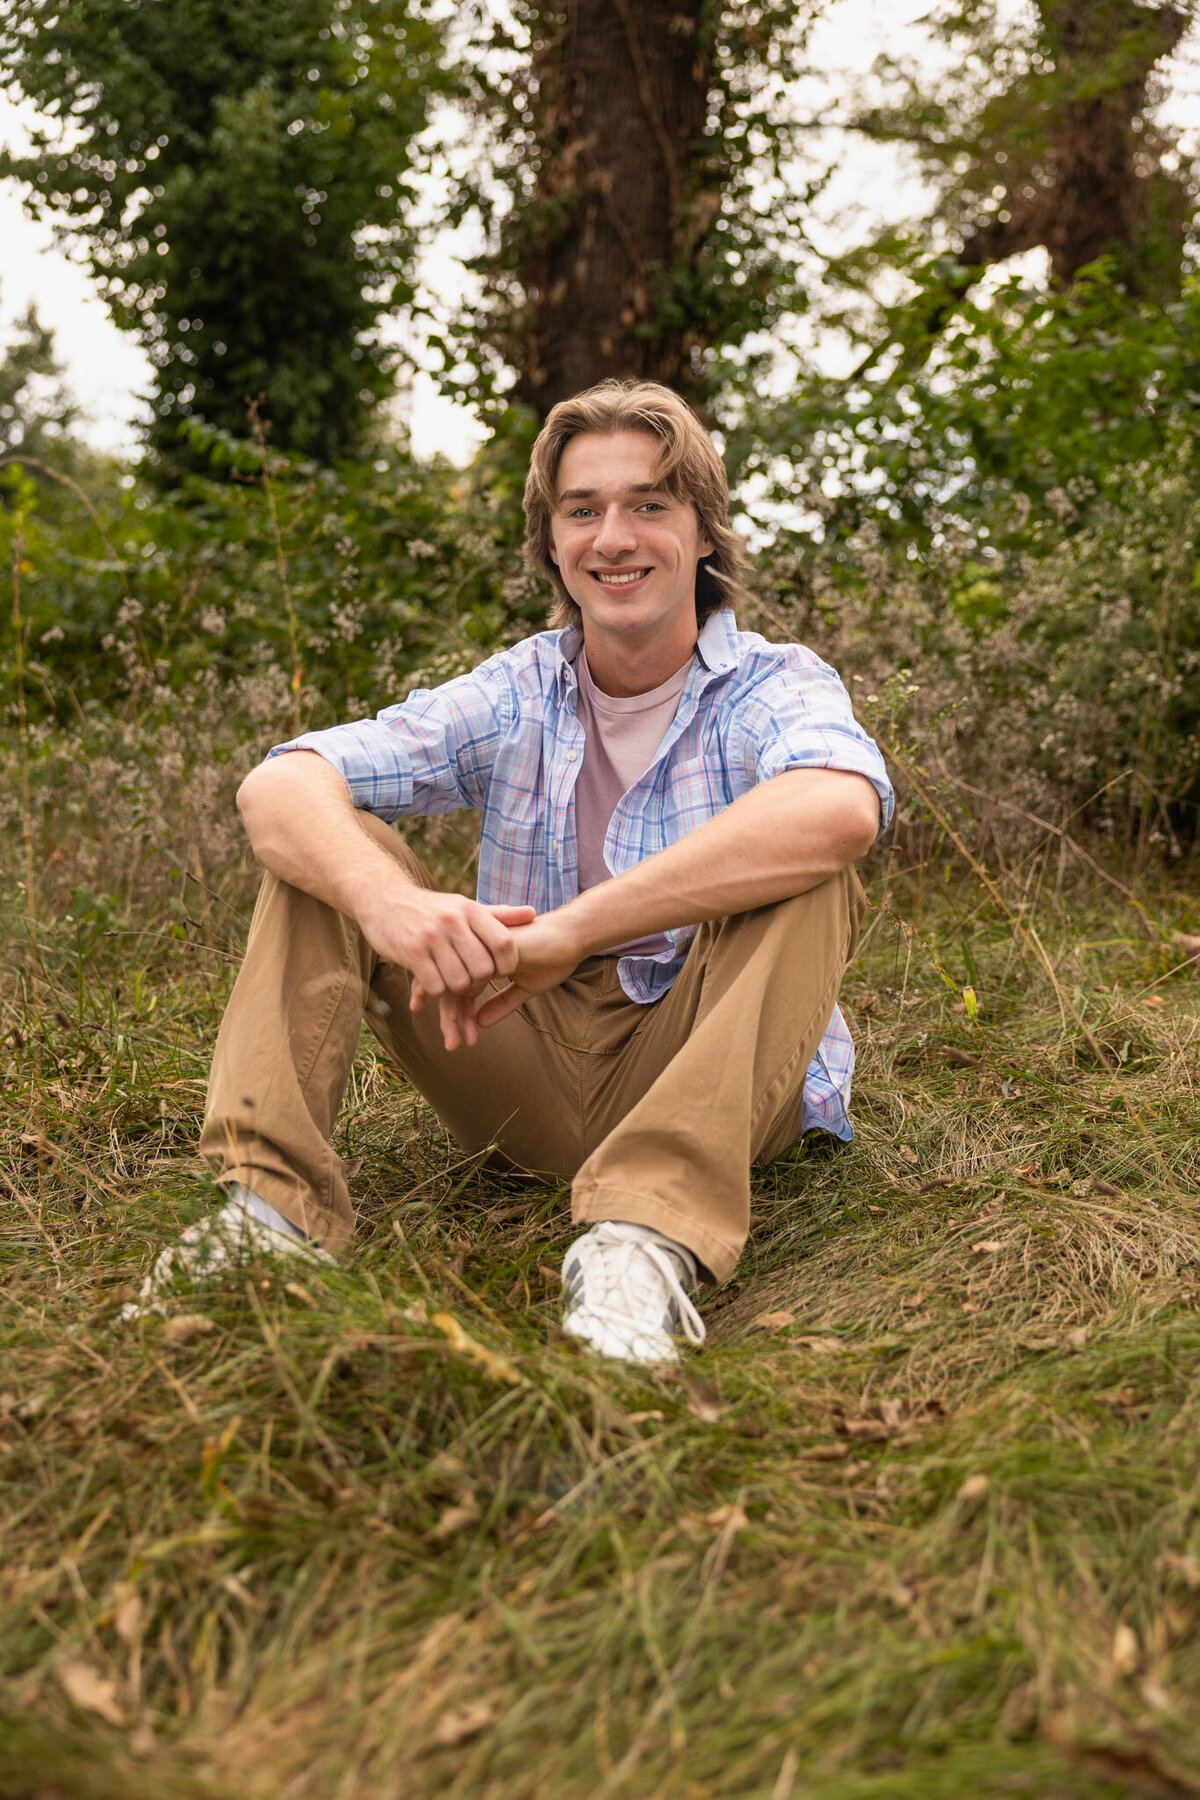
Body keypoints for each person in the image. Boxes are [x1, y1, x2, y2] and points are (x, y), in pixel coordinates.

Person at [125, 380, 893, 1364]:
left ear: (704, 533)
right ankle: (267, 1219)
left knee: (811, 866)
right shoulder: (520, 689)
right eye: (584, 511)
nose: (613, 535)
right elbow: (282, 783)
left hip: (707, 1065)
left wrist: (574, 931)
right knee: (330, 847)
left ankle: (645, 1237)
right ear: (554, 545)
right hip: (520, 1060)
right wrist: (387, 902)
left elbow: (838, 808)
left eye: (649, 504)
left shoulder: (773, 684)